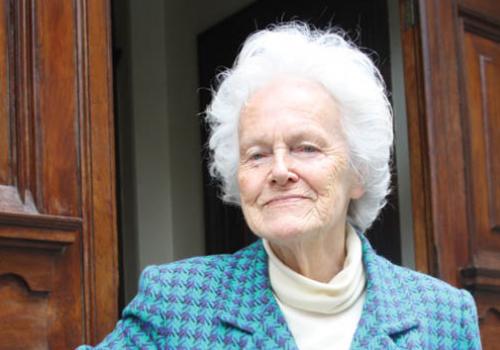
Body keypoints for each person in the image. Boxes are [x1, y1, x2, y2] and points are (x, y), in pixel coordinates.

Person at [78, 23, 481, 349]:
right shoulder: (177, 302)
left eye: (305, 147)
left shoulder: (442, 315)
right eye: (257, 154)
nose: (280, 170)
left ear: (357, 172)